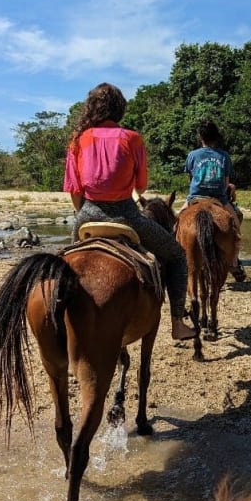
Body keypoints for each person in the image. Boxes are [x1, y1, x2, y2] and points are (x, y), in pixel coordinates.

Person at [63, 82, 197, 341]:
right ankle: (178, 323)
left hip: (86, 214)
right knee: (177, 256)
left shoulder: (78, 140)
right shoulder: (132, 138)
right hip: (127, 215)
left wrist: (85, 214)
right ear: (120, 109)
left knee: (65, 264)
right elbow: (141, 186)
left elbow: (75, 191)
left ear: (91, 108)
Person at [184, 119, 247, 282]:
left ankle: (177, 259)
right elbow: (226, 183)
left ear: (200, 137)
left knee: (175, 223)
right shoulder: (224, 156)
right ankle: (234, 262)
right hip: (219, 199)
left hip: (195, 198)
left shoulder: (192, 155)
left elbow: (191, 180)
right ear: (216, 137)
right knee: (236, 230)